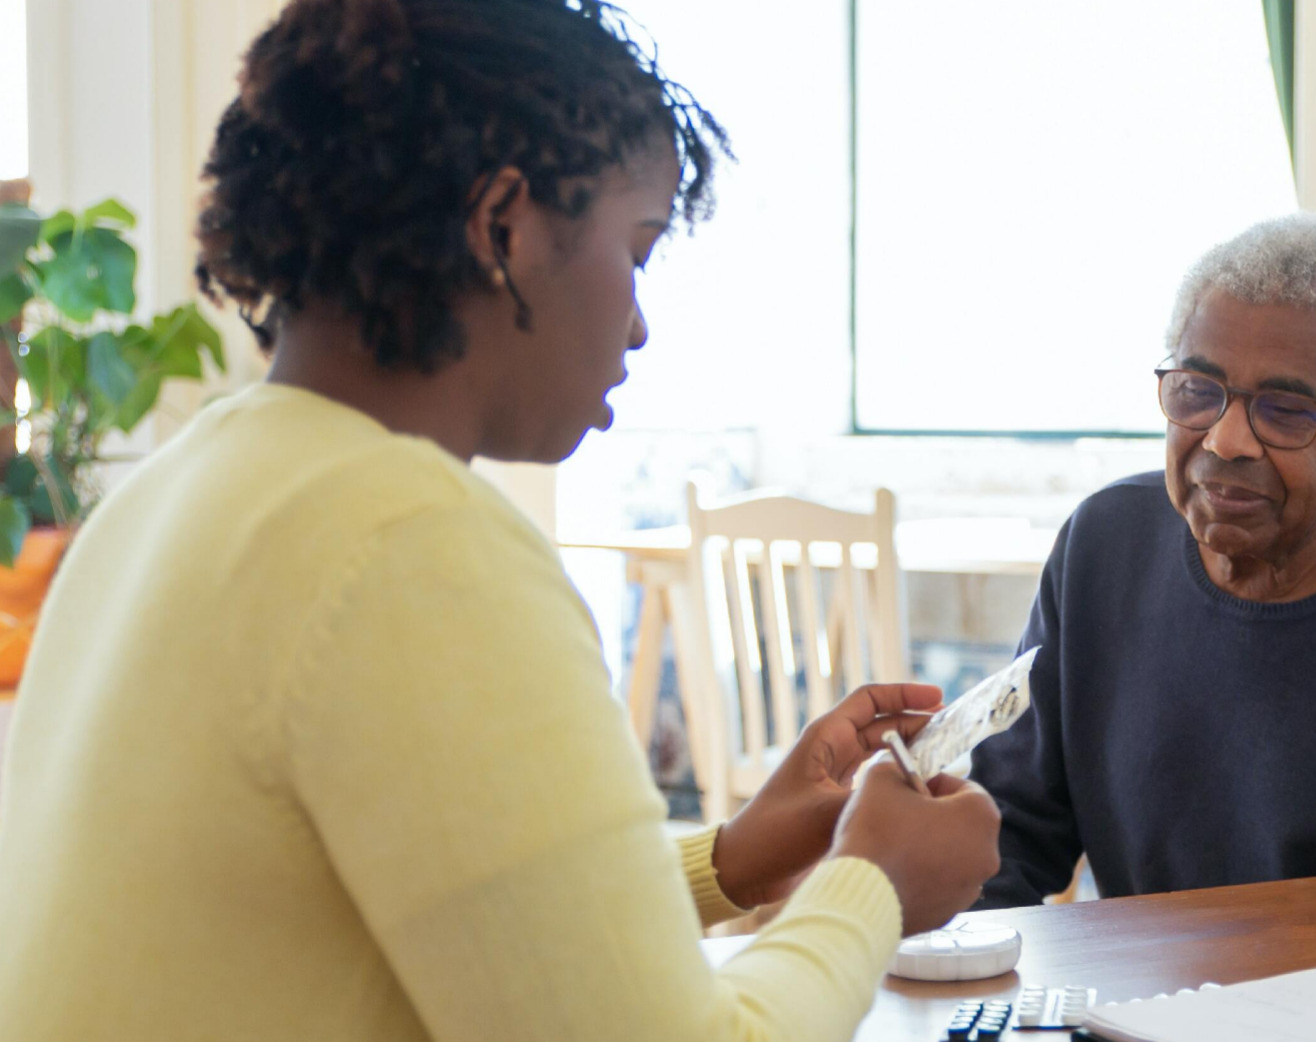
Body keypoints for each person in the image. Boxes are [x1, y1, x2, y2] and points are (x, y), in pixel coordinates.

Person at [0, 1, 998, 1039]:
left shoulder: (169, 496)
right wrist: (871, 880)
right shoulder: (409, 543)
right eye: (638, 247)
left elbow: (472, 902)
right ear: (503, 226)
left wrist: (735, 857)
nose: (641, 323)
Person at [969, 213, 1316, 908]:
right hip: (1127, 1003)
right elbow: (1007, 840)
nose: (1227, 438)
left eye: (1284, 409)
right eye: (1196, 391)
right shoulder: (1101, 545)